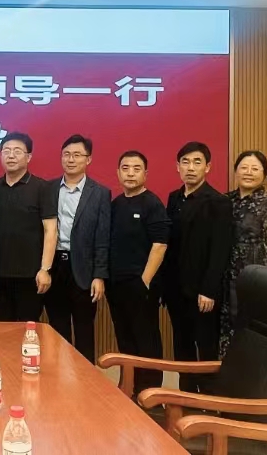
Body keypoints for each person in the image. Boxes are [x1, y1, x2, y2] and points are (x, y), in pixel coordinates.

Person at [158, 141, 232, 392]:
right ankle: (186, 396)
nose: (190, 168)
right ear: (177, 166)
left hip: (203, 293)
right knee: (182, 345)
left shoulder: (218, 202)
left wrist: (209, 290)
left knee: (206, 346)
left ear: (207, 167)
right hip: (176, 290)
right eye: (185, 162)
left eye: (197, 162)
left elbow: (220, 250)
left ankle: (209, 399)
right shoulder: (174, 198)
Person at [106, 151, 169, 398]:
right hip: (116, 285)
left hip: (141, 285)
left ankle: (151, 394)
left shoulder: (152, 204)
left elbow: (160, 245)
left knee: (146, 340)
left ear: (145, 173)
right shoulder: (116, 205)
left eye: (136, 168)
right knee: (125, 338)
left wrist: (144, 281)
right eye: (125, 168)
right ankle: (129, 389)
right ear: (118, 172)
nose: (130, 173)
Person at [44, 134, 111, 362]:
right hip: (54, 266)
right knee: (57, 327)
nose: (71, 159)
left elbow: (102, 236)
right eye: (66, 154)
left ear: (88, 159)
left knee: (84, 329)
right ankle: (58, 376)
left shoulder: (100, 193)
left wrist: (99, 275)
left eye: (77, 155)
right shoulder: (48, 188)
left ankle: (85, 379)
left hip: (84, 270)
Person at [219, 150, 267, 356]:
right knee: (224, 328)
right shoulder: (224, 200)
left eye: (255, 169)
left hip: (253, 277)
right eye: (244, 168)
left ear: (264, 175)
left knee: (250, 328)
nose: (248, 172)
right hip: (223, 277)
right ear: (235, 171)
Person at [0, 133, 57, 323]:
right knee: (2, 326)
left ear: (28, 157)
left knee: (28, 327)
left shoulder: (42, 188)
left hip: (31, 275)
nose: (11, 156)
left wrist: (45, 269)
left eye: (17, 151)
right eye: (6, 151)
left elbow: (51, 231)